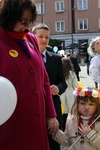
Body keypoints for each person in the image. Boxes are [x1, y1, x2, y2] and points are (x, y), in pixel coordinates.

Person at [0, 0, 58, 150]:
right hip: (10, 127)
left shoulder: (31, 39)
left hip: (36, 124)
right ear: (9, 17)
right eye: (23, 21)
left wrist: (51, 114)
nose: (27, 26)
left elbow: (44, 79)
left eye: (29, 21)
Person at [32, 23, 67, 150]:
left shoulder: (56, 59)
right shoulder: (27, 57)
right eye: (40, 36)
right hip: (34, 108)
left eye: (47, 37)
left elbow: (63, 83)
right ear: (32, 37)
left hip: (53, 107)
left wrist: (58, 88)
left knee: (53, 143)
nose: (44, 40)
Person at [60, 58, 78, 131]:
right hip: (70, 92)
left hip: (61, 92)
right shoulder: (72, 73)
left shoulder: (59, 72)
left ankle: (62, 128)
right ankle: (69, 128)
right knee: (70, 112)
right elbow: (76, 85)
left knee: (62, 111)